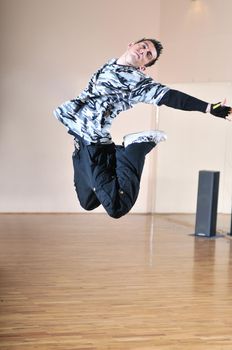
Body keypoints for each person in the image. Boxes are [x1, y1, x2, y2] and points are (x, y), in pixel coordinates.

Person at [54, 38, 231, 219]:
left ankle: (135, 148)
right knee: (88, 202)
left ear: (142, 67)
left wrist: (208, 108)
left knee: (117, 208)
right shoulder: (109, 64)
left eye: (148, 55)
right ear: (131, 44)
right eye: (144, 46)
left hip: (94, 143)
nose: (143, 52)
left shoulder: (136, 79)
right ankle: (118, 153)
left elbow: (170, 96)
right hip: (80, 142)